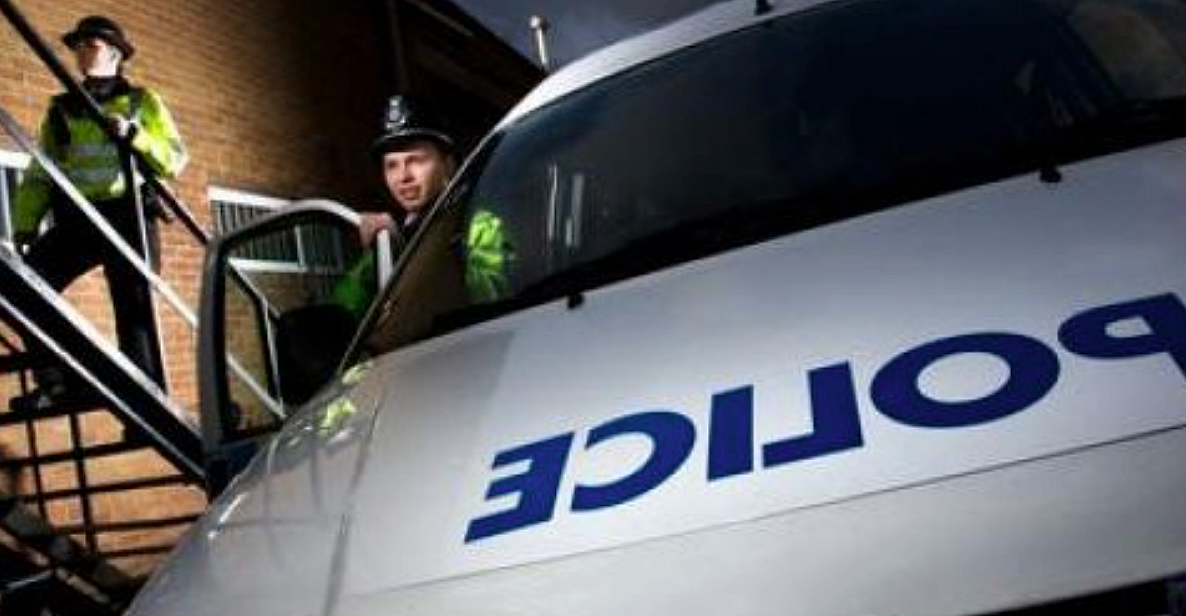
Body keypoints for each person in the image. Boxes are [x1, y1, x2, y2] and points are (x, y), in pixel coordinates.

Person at [8, 15, 188, 411]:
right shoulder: (61, 109)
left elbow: (175, 158)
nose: (80, 52)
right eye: (77, 46)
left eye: (91, 45)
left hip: (129, 215)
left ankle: (144, 411)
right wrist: (25, 224)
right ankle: (60, 383)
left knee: (134, 311)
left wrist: (136, 136)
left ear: (116, 55)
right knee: (27, 287)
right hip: (81, 218)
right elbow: (41, 171)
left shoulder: (142, 101)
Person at [332, 95, 458, 317]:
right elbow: (343, 311)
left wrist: (404, 255)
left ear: (447, 165)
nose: (403, 176)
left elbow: (488, 306)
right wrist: (381, 252)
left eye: (416, 160)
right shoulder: (393, 234)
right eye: (392, 165)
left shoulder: (476, 222)